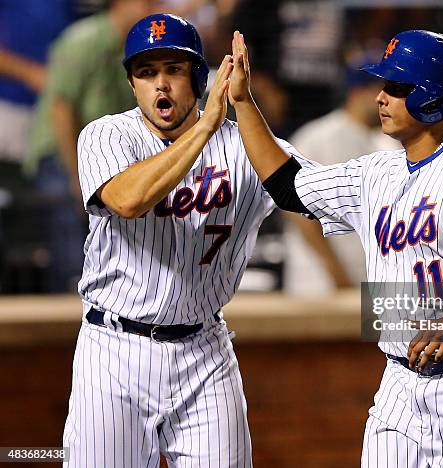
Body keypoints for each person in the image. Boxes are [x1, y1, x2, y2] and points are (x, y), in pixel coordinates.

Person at [228, 30, 443, 467]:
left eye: (398, 88)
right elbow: (290, 189)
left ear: (434, 97)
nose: (381, 97)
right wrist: (244, 103)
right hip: (400, 382)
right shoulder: (377, 170)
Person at [62, 14, 313, 467]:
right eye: (147, 73)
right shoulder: (105, 135)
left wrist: (244, 109)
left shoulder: (244, 146)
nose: (160, 84)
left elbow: (314, 195)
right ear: (132, 84)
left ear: (198, 75)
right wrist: (205, 127)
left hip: (204, 352)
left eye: (173, 70)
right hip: (113, 350)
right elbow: (127, 199)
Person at [23, 0, 153, 292]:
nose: (152, 7)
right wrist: (76, 176)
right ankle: (60, 325)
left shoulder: (130, 48)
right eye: (146, 1)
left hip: (101, 158)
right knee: (72, 251)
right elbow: (61, 109)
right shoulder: (83, 39)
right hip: (60, 154)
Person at [285, 54, 399, 294]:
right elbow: (296, 210)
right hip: (320, 285)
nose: (388, 101)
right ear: (357, 92)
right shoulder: (319, 136)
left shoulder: (386, 143)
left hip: (367, 284)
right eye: (383, 91)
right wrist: (336, 272)